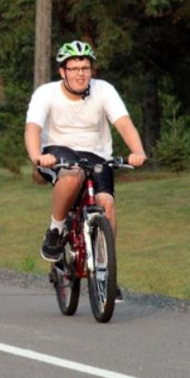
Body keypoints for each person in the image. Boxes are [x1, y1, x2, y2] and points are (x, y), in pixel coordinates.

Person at [25, 40, 147, 298]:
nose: (81, 73)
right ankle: (56, 231)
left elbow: (124, 123)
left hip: (97, 155)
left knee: (107, 204)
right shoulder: (46, 93)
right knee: (73, 176)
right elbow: (33, 128)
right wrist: (38, 156)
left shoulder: (103, 90)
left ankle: (105, 271)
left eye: (85, 67)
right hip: (58, 151)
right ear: (62, 72)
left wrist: (138, 151)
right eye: (74, 68)